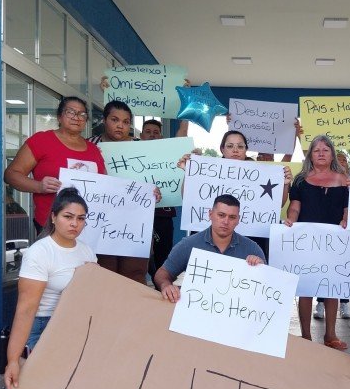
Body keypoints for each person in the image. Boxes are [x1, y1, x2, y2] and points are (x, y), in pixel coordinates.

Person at [3, 188, 97, 389]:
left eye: (81, 219)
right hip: (43, 325)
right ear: (53, 217)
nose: (75, 223)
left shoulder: (86, 251)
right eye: (68, 217)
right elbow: (26, 309)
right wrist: (13, 360)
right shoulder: (40, 252)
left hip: (73, 326)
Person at [177, 130, 292, 260]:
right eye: (230, 146)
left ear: (246, 150)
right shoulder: (207, 170)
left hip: (251, 238)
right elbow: (186, 196)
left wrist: (285, 184)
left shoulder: (262, 173)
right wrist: (189, 173)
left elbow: (278, 205)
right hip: (211, 238)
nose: (235, 150)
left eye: (240, 146)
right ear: (222, 149)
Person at [284, 135, 350, 350]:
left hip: (335, 242)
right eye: (316, 150)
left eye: (326, 149)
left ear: (332, 154)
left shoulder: (344, 180)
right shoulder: (301, 180)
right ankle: (305, 336)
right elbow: (294, 206)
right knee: (306, 288)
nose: (321, 153)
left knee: (333, 288)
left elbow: (348, 209)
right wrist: (291, 220)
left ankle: (330, 335)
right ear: (310, 155)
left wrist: (346, 220)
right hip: (306, 241)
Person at [3, 96, 105, 234]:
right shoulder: (41, 141)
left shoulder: (93, 150)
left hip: (88, 225)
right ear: (59, 117)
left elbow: (104, 184)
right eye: (70, 112)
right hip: (50, 225)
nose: (77, 117)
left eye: (82, 114)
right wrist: (39, 186)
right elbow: (11, 175)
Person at [87, 101, 158, 284]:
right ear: (104, 120)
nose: (120, 125)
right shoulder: (88, 146)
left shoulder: (142, 147)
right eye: (115, 120)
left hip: (134, 223)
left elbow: (155, 179)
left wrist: (155, 191)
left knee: (134, 276)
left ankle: (132, 313)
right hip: (99, 223)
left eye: (126, 122)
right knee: (102, 275)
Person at [154, 194, 265, 302]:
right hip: (196, 312)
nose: (226, 222)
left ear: (238, 220)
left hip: (237, 313)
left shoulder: (252, 249)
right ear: (210, 214)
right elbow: (163, 273)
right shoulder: (188, 244)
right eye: (221, 215)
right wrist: (166, 286)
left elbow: (265, 287)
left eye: (232, 217)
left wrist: (261, 269)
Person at [138, 118, 190, 279]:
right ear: (141, 136)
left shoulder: (168, 152)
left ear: (161, 137)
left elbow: (182, 135)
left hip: (163, 214)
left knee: (162, 258)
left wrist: (186, 117)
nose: (152, 135)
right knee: (137, 259)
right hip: (136, 214)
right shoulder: (130, 152)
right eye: (148, 132)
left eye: (156, 132)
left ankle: (161, 289)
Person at [314, 150, 350, 320]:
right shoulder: (323, 178)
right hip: (323, 233)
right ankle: (320, 302)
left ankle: (344, 303)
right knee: (322, 269)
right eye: (340, 160)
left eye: (345, 160)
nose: (342, 162)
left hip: (344, 233)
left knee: (342, 270)